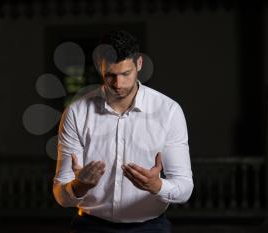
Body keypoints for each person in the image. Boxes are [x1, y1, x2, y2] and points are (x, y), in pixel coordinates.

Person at [53, 30, 194, 233]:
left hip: (151, 227)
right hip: (90, 226)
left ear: (139, 64)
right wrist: (79, 186)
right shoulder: (76, 113)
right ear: (99, 67)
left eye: (125, 74)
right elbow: (60, 195)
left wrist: (157, 186)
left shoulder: (169, 111)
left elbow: (184, 189)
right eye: (110, 75)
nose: (118, 84)